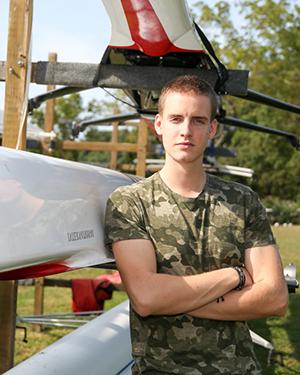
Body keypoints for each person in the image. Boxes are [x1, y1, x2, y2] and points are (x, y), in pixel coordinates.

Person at [104, 75, 288, 374]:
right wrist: (236, 275)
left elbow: (275, 299)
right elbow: (147, 298)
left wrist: (173, 300)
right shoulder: (130, 202)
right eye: (176, 119)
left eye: (198, 120)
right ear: (159, 125)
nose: (186, 131)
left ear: (212, 128)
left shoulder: (242, 200)